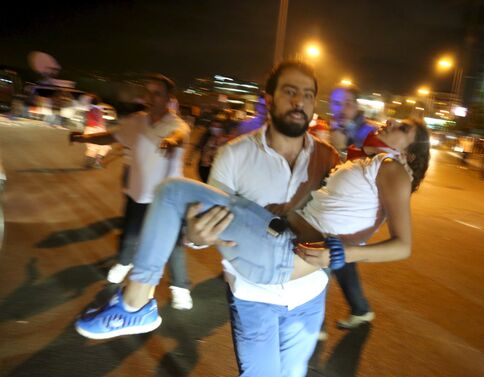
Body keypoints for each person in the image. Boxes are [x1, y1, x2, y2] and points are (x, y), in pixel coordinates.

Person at [75, 63, 429, 377]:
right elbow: (201, 228)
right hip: (254, 293)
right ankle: (135, 303)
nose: (300, 101)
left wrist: (340, 252)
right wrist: (196, 234)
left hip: (307, 293)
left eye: (308, 95)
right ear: (269, 98)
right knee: (172, 194)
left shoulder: (329, 157)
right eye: (290, 91)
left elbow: (359, 219)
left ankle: (136, 302)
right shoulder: (234, 154)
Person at [69, 74, 194, 310]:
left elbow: (178, 137)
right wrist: (82, 136)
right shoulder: (136, 122)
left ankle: (181, 288)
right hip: (138, 194)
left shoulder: (178, 126)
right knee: (129, 236)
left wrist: (170, 141)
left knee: (174, 245)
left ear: (169, 98)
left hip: (167, 199)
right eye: (149, 92)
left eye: (158, 93)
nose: (151, 98)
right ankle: (124, 264)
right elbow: (112, 136)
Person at [327, 85, 379, 329]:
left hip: (355, 211)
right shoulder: (335, 129)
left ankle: (312, 324)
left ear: (357, 106)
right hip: (338, 208)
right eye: (336, 103)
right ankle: (360, 309)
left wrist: (339, 148)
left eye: (347, 103)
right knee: (341, 259)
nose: (341, 108)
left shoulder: (368, 133)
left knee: (324, 257)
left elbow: (365, 173)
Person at [81, 94, 112, 169]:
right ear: (99, 102)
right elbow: (100, 121)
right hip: (96, 129)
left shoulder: (88, 109)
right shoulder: (98, 109)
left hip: (88, 129)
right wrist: (104, 130)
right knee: (104, 146)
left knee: (92, 147)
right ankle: (96, 163)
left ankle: (88, 164)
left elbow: (86, 120)